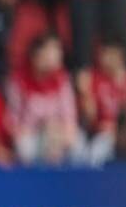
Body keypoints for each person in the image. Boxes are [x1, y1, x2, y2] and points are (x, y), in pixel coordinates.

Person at [6, 34, 85, 165]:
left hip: (59, 132)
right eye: (53, 50)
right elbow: (12, 117)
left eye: (59, 50)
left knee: (79, 142)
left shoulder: (63, 80)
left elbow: (70, 115)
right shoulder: (18, 81)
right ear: (36, 55)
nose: (59, 54)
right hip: (32, 135)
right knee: (24, 147)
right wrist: (24, 131)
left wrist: (63, 132)